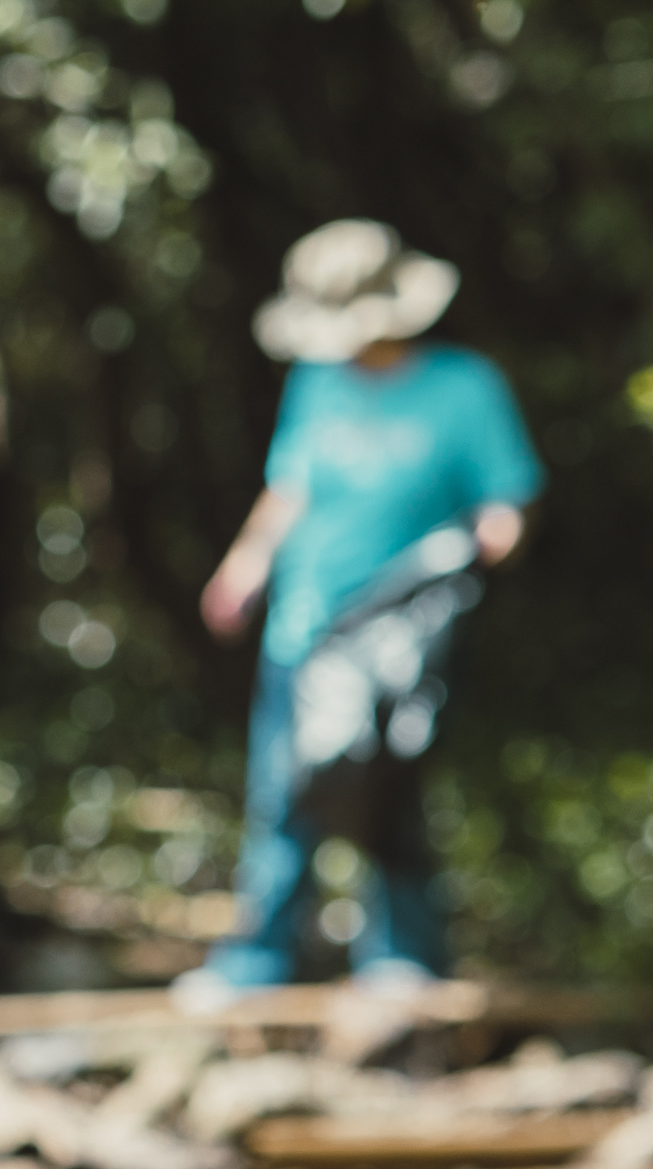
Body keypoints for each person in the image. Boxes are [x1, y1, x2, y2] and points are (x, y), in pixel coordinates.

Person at [193, 218, 542, 1001]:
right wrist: (244, 564)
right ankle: (256, 962)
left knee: (392, 793)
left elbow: (509, 498)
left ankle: (402, 960)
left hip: (400, 643)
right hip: (305, 627)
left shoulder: (466, 388)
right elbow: (289, 488)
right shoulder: (316, 382)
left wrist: (496, 535)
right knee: (283, 793)